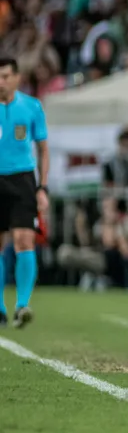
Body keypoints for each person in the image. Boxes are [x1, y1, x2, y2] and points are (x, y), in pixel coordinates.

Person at [0, 57, 50, 328]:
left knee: (23, 239)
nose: (1, 82)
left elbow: (43, 150)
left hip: (22, 180)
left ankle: (22, 305)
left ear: (17, 78)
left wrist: (42, 187)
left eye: (6, 76)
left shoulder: (31, 107)